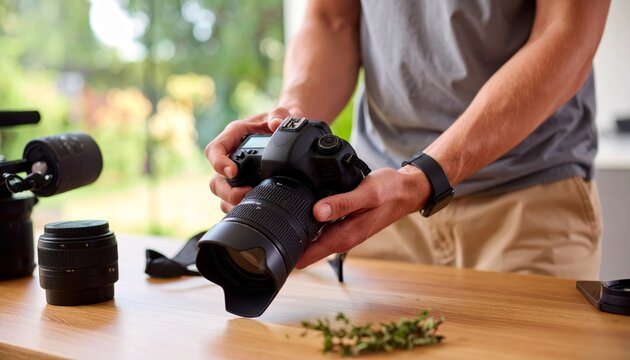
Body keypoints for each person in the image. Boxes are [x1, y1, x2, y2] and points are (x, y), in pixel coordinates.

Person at [205, 0, 611, 279]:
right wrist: (289, 123)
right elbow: (332, 19)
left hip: (528, 205)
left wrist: (423, 178)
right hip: (381, 209)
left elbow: (566, 32)